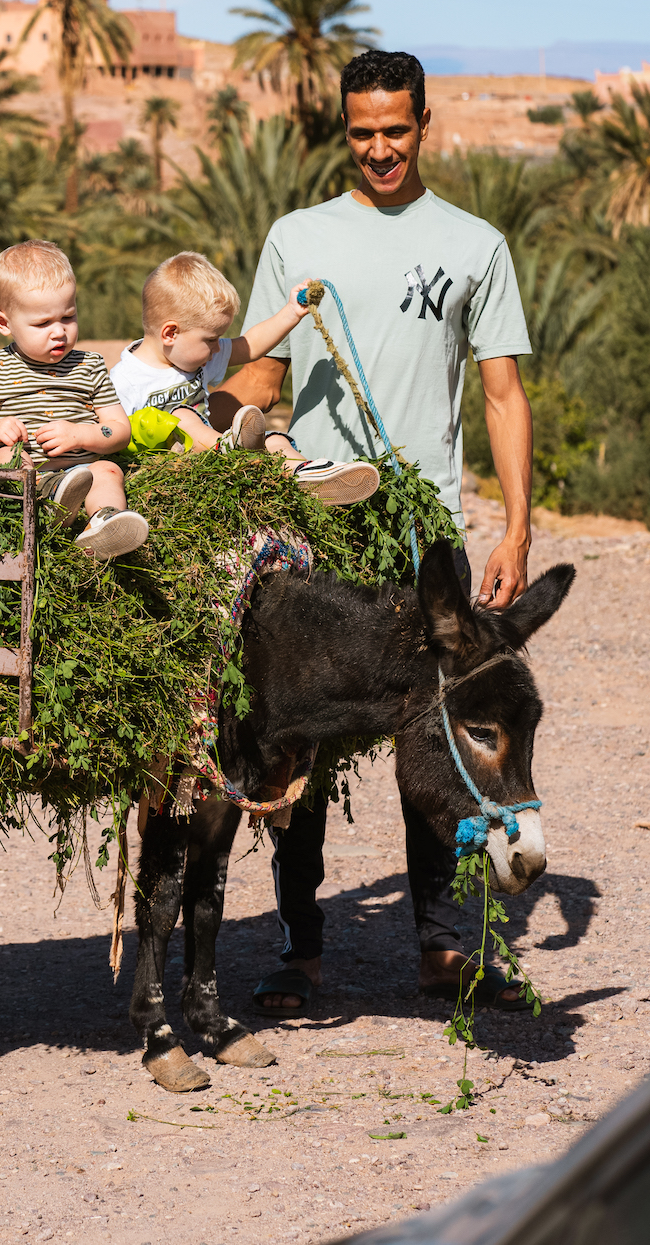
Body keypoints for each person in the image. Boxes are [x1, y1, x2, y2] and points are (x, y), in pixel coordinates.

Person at [211, 50, 535, 1015]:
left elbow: (504, 392)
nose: (380, 149)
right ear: (342, 130)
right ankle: (301, 951)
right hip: (314, 526)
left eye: (396, 130)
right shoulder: (296, 235)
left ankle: (444, 949)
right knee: (294, 739)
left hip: (424, 540)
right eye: (362, 133)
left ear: (425, 123)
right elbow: (257, 381)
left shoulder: (475, 244)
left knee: (437, 748)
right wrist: (161, 418)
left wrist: (515, 527)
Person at [109, 251, 381, 504]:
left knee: (275, 440)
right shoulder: (124, 380)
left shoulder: (192, 354)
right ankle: (231, 447)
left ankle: (308, 475)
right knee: (183, 417)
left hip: (211, 450)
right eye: (211, 339)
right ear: (170, 333)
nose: (217, 348)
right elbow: (112, 436)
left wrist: (290, 313)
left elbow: (250, 345)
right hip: (167, 463)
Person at [0, 239, 150, 559]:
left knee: (109, 470)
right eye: (43, 323)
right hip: (28, 473)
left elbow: (119, 430)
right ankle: (42, 504)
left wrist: (80, 434)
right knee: (4, 460)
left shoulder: (89, 365)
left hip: (81, 469)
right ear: (4, 323)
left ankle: (103, 521)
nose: (59, 331)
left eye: (68, 317)